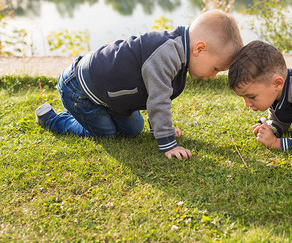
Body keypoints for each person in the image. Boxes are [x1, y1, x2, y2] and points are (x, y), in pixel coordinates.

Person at [35, 10, 243, 160]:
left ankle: (88, 113)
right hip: (79, 87)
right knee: (105, 133)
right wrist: (167, 143)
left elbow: (155, 92)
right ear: (199, 49)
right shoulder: (167, 54)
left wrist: (161, 128)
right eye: (216, 68)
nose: (214, 75)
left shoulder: (180, 53)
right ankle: (54, 119)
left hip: (108, 95)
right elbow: (158, 99)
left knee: (134, 129)